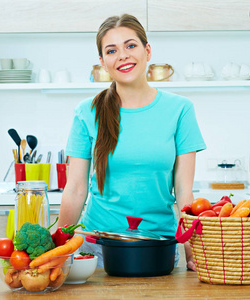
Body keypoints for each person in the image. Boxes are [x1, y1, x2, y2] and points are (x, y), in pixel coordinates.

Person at [57, 14, 206, 271]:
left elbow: (184, 191)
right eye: (112, 50)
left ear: (147, 51)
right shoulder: (86, 112)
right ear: (103, 63)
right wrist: (58, 251)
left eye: (131, 45)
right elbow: (75, 189)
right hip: (96, 248)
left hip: (158, 246)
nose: (123, 55)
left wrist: (193, 252)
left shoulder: (180, 109)